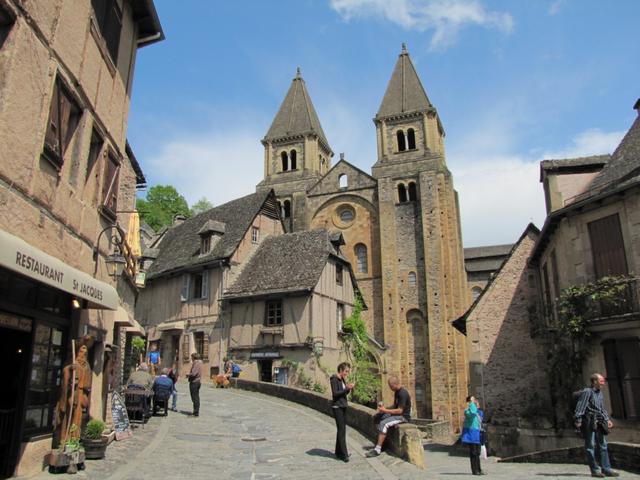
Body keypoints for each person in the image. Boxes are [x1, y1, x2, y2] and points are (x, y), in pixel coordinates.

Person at [574, 373, 619, 478]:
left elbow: (601, 408)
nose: (603, 383)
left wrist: (607, 419)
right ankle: (595, 470)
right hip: (589, 422)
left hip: (599, 422)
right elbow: (580, 406)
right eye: (601, 381)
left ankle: (606, 469)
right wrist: (578, 420)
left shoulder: (600, 393)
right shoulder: (587, 392)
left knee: (603, 445)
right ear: (594, 381)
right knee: (590, 446)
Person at [55, 341, 93, 445]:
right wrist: (70, 370)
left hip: (81, 393)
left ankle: (74, 439)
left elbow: (88, 382)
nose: (83, 354)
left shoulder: (86, 365)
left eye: (85, 353)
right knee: (68, 416)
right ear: (77, 352)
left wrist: (85, 392)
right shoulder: (72, 363)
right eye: (81, 352)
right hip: (72, 392)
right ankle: (64, 439)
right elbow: (65, 375)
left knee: (77, 418)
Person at [367, 375, 411, 457]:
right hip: (397, 415)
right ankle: (383, 442)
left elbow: (400, 410)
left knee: (384, 423)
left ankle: (377, 449)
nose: (390, 388)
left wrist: (385, 410)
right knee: (378, 417)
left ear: (394, 384)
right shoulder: (397, 392)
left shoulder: (403, 393)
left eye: (390, 386)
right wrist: (384, 409)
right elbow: (395, 406)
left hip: (403, 417)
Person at [330, 362, 355, 462]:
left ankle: (338, 452)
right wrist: (346, 388)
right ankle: (344, 455)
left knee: (341, 430)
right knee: (342, 430)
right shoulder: (334, 379)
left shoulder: (342, 379)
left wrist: (349, 388)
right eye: (346, 371)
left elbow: (343, 393)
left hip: (343, 405)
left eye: (348, 371)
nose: (347, 373)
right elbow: (335, 393)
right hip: (337, 407)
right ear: (340, 370)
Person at [461, 395, 485, 476]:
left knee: (478, 453)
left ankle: (479, 469)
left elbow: (479, 416)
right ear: (468, 402)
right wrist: (471, 404)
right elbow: (472, 413)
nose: (474, 401)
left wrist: (475, 405)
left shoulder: (478, 412)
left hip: (477, 434)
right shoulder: (467, 411)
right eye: (472, 400)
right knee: (473, 453)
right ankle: (475, 470)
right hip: (471, 434)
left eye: (474, 400)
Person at [186, 352, 203, 417]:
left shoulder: (196, 363)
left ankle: (196, 413)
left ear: (194, 357)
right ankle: (195, 412)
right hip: (198, 382)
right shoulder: (200, 363)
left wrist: (188, 374)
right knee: (196, 397)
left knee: (195, 398)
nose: (191, 359)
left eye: (191, 357)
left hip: (194, 382)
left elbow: (194, 373)